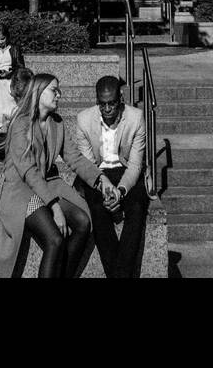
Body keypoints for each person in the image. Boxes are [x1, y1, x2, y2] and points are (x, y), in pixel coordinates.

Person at [0, 72, 115, 278]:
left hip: (45, 185)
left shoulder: (56, 123)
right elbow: (28, 172)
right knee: (55, 239)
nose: (59, 94)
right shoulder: (21, 124)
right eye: (54, 90)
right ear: (39, 93)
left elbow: (74, 158)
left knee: (83, 222)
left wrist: (100, 178)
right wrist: (55, 207)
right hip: (20, 191)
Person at [75, 75, 148, 279]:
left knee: (137, 209)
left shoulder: (135, 118)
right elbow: (88, 165)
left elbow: (134, 165)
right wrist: (105, 188)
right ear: (97, 101)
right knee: (98, 210)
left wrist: (121, 191)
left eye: (112, 103)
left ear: (121, 99)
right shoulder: (83, 119)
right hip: (98, 173)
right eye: (102, 104)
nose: (107, 109)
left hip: (125, 172)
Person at [0, 67, 33, 160]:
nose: (19, 99)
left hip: (23, 134)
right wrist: (0, 127)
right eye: (17, 95)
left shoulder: (33, 91)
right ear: (12, 83)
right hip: (2, 136)